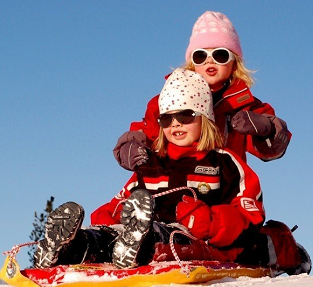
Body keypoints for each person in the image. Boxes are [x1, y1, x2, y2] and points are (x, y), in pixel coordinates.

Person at [33, 69, 310, 275]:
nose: (176, 123)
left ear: (205, 119)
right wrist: (106, 220)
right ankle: (72, 247)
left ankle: (134, 243)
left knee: (163, 238)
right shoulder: (152, 164)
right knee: (109, 236)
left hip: (191, 238)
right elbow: (119, 202)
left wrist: (210, 221)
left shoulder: (224, 163)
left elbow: (250, 216)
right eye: (167, 118)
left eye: (186, 115)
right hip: (138, 232)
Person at [114, 11, 291, 172]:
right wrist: (132, 145)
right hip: (177, 180)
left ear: (234, 62)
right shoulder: (170, 99)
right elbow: (148, 130)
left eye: (220, 55)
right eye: (201, 56)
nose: (209, 61)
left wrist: (266, 129)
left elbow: (271, 150)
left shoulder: (245, 106)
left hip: (225, 184)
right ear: (192, 62)